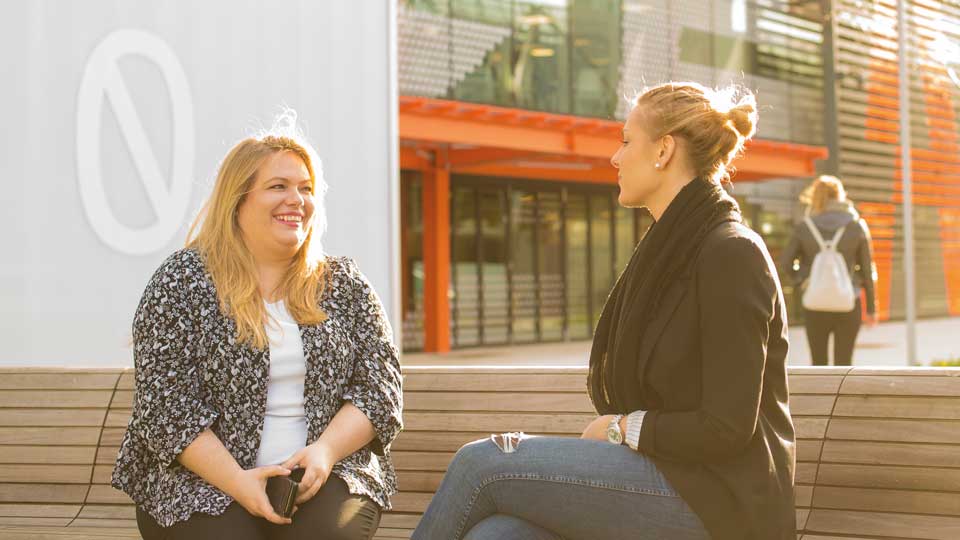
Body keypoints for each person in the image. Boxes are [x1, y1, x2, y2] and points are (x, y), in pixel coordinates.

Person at [411, 82, 796, 540]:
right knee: (497, 535)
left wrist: (621, 428)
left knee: (482, 463)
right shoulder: (669, 252)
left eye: (626, 140)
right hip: (661, 478)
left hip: (719, 506)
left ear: (664, 150)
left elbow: (727, 426)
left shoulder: (731, 254)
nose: (615, 157)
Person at [111, 114, 403, 540]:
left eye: (306, 189)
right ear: (238, 200)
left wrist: (324, 451)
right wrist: (239, 483)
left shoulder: (345, 284)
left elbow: (381, 388)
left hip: (325, 476)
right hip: (201, 483)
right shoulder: (181, 281)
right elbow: (165, 407)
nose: (296, 200)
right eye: (278, 186)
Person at [781, 175, 878, 366]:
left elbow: (785, 263)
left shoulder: (804, 227)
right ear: (841, 196)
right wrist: (872, 309)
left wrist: (803, 280)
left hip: (814, 303)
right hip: (849, 301)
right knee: (844, 363)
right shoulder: (856, 226)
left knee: (818, 363)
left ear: (815, 197)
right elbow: (867, 269)